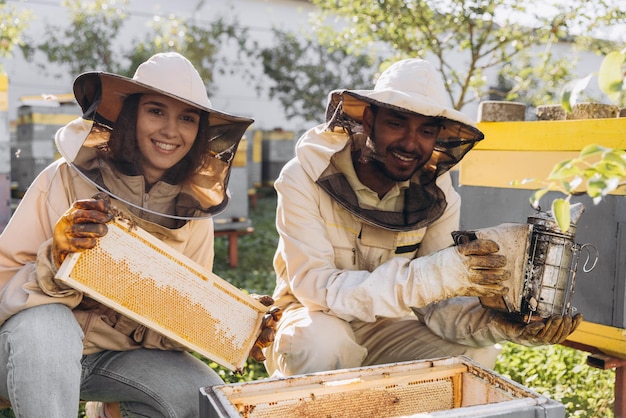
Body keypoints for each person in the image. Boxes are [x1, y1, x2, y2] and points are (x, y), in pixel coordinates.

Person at [263, 58, 582, 377]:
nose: (411, 143)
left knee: (473, 354)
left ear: (438, 136)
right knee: (323, 343)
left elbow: (437, 306)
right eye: (397, 123)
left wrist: (498, 325)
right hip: (310, 315)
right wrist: (435, 274)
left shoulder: (437, 194)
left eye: (426, 130)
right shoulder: (304, 176)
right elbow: (316, 287)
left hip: (385, 326)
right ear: (370, 119)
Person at [0, 52, 278, 418]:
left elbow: (169, 323)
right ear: (130, 115)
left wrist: (230, 323)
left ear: (200, 132)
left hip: (113, 361)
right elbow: (4, 284)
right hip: (24, 351)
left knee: (200, 398)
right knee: (49, 325)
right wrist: (56, 259)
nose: (170, 130)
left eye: (187, 118)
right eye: (156, 110)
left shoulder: (194, 217)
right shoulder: (62, 179)